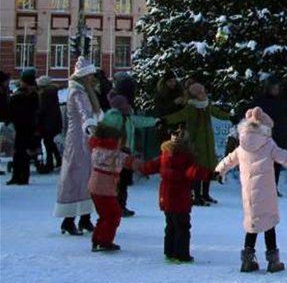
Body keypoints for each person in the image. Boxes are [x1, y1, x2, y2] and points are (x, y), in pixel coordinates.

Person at [216, 107, 287, 273]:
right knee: (269, 225)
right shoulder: (268, 144)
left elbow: (229, 160)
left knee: (252, 224)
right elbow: (285, 156)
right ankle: (273, 262)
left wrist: (218, 171)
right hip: (267, 192)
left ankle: (247, 261)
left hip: (249, 194)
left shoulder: (242, 146)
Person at [137, 123, 213, 263]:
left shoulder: (165, 155)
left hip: (165, 197)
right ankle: (182, 254)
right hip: (180, 198)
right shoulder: (186, 157)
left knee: (170, 225)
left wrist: (138, 166)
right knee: (182, 226)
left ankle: (169, 251)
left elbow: (150, 166)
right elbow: (193, 172)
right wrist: (210, 175)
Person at [55, 57, 104, 235]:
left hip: (84, 139)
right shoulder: (78, 92)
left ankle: (85, 217)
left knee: (88, 177)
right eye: (91, 75)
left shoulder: (85, 91)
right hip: (78, 140)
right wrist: (92, 129)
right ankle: (69, 220)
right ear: (84, 75)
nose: (93, 78)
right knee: (77, 177)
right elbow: (85, 114)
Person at [164, 81, 232, 206]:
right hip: (195, 141)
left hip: (208, 140)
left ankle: (205, 194)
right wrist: (165, 120)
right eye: (200, 92)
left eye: (203, 91)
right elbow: (180, 115)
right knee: (197, 169)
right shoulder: (191, 107)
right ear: (195, 95)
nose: (203, 94)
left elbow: (217, 112)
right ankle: (196, 195)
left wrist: (230, 117)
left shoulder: (207, 105)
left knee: (209, 168)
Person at [242, 75, 287, 193]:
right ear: (268, 88)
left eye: (277, 88)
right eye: (274, 88)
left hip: (280, 136)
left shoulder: (281, 101)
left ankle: (273, 188)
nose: (276, 90)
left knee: (276, 164)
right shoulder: (260, 101)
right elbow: (247, 111)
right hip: (264, 137)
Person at [107, 72, 158, 216]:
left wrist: (154, 121)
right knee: (119, 181)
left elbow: (134, 121)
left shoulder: (123, 108)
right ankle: (117, 206)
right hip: (119, 149)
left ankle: (119, 205)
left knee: (121, 181)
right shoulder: (119, 110)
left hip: (123, 148)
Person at [87, 111, 137, 252]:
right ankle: (104, 241)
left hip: (96, 187)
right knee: (113, 214)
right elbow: (130, 162)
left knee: (105, 215)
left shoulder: (98, 149)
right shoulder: (112, 153)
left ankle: (98, 239)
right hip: (104, 189)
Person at [6, 68, 39, 185]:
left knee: (23, 152)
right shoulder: (23, 93)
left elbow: (29, 112)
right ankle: (16, 175)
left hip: (26, 127)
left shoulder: (30, 94)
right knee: (18, 152)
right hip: (21, 126)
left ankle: (22, 177)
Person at [36, 75, 63, 173]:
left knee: (48, 143)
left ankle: (50, 163)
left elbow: (42, 109)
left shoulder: (45, 94)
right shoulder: (52, 93)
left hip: (48, 123)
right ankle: (58, 160)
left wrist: (37, 115)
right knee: (50, 143)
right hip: (54, 122)